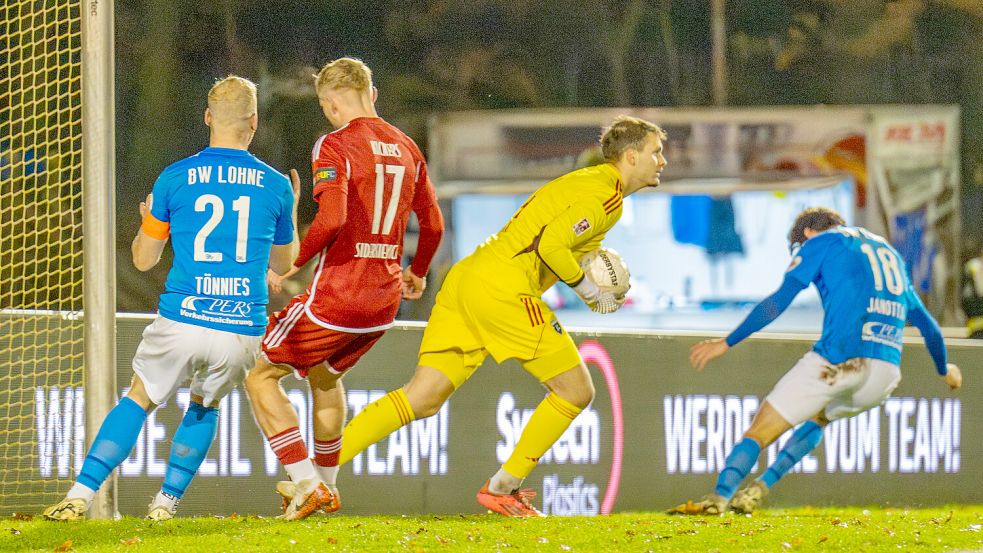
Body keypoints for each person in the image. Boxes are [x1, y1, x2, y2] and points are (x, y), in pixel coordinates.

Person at [331, 115, 667, 518]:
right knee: (576, 391)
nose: (662, 160)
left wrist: (588, 266)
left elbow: (553, 238)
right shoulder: (605, 197)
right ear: (631, 156)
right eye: (656, 151)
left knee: (422, 398)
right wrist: (589, 290)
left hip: (469, 278)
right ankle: (502, 488)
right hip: (504, 287)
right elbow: (553, 248)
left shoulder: (590, 183)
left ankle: (317, 475)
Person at [42, 76, 299, 520]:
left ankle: (81, 495)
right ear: (254, 123)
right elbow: (289, 260)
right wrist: (291, 209)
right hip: (240, 326)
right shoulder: (275, 185)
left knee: (139, 397)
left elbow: (143, 261)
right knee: (206, 403)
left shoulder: (175, 177)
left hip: (183, 315)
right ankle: (165, 504)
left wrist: (147, 225)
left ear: (207, 118)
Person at [244, 57, 444, 521]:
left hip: (341, 295)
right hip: (383, 301)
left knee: (260, 375)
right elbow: (432, 222)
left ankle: (307, 482)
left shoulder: (334, 144)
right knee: (325, 377)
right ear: (372, 95)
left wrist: (293, 262)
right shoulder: (408, 146)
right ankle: (328, 488)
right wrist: (419, 269)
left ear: (331, 104)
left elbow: (331, 219)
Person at [673, 207, 963, 516]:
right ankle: (759, 488)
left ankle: (719, 497)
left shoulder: (821, 242)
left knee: (759, 432)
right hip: (885, 373)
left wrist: (726, 342)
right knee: (819, 418)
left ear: (808, 233)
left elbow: (779, 301)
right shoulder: (887, 251)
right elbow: (928, 326)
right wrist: (944, 370)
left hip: (837, 360)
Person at [961, 242, 983, 339]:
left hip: (974, 325)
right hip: (978, 328)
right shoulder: (976, 266)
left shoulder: (972, 265)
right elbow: (980, 290)